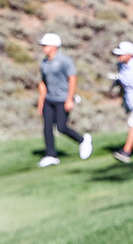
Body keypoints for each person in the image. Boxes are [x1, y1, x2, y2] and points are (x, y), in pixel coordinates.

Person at [34, 33, 92, 167]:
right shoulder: (44, 63)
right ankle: (51, 155)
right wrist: (41, 101)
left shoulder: (65, 61)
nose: (43, 48)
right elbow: (43, 83)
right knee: (47, 128)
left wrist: (69, 99)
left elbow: (72, 79)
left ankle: (82, 140)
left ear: (54, 46)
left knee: (61, 127)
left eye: (45, 45)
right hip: (49, 99)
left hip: (62, 98)